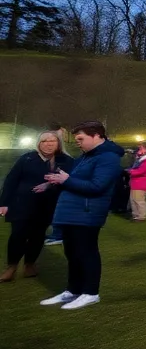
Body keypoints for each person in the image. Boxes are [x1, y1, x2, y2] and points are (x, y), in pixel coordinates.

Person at [37, 121, 124, 310]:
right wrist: (55, 182)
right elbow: (75, 180)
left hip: (87, 212)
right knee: (72, 253)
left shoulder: (108, 157)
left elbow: (97, 186)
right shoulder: (86, 156)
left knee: (87, 252)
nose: (78, 142)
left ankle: (91, 293)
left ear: (97, 136)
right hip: (71, 211)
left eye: (80, 139)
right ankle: (73, 290)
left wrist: (67, 180)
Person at [1, 131, 73, 282]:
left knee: (38, 236)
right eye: (44, 141)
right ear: (38, 144)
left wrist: (50, 185)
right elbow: (11, 181)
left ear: (58, 143)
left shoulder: (66, 161)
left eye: (52, 141)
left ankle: (30, 264)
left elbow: (70, 181)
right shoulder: (27, 158)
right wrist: (4, 203)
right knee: (18, 235)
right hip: (22, 204)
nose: (48, 144)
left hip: (46, 205)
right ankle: (11, 267)